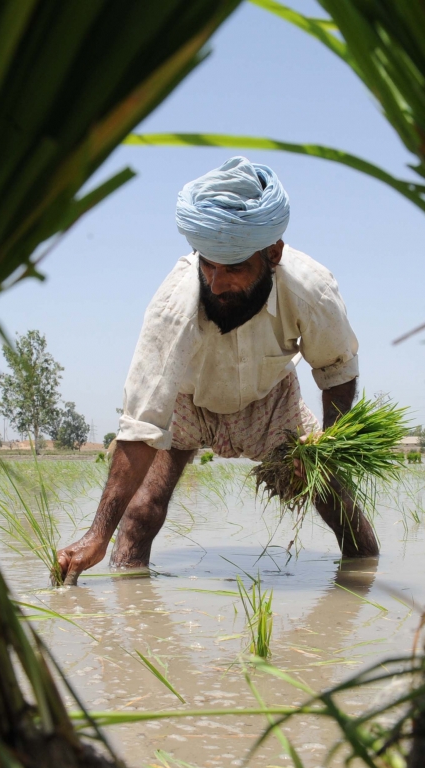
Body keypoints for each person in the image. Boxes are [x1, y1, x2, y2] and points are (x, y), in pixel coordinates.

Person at [55, 156, 378, 585]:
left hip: (272, 400)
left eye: (235, 268)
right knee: (142, 510)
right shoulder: (174, 305)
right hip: (191, 400)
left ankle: (364, 582)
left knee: (335, 498)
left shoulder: (310, 289)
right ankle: (131, 608)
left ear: (273, 252)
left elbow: (337, 370)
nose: (218, 282)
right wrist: (97, 535)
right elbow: (140, 424)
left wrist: (327, 447)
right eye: (208, 264)